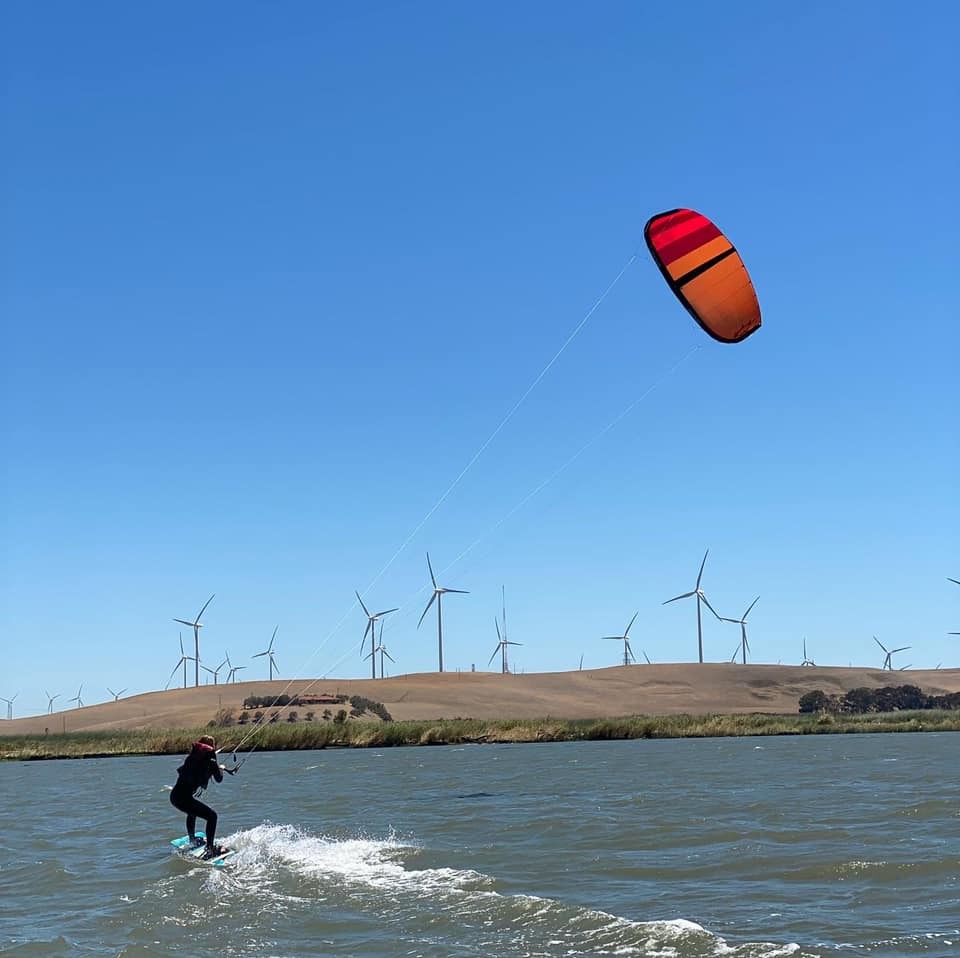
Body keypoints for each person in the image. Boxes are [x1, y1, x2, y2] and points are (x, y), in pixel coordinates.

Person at [170, 734, 229, 859]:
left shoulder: (192, 758)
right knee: (212, 816)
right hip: (184, 799)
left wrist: (214, 767)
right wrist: (221, 769)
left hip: (175, 796)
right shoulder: (211, 761)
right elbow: (218, 779)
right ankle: (209, 849)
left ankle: (192, 839)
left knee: (192, 812)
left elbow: (197, 770)